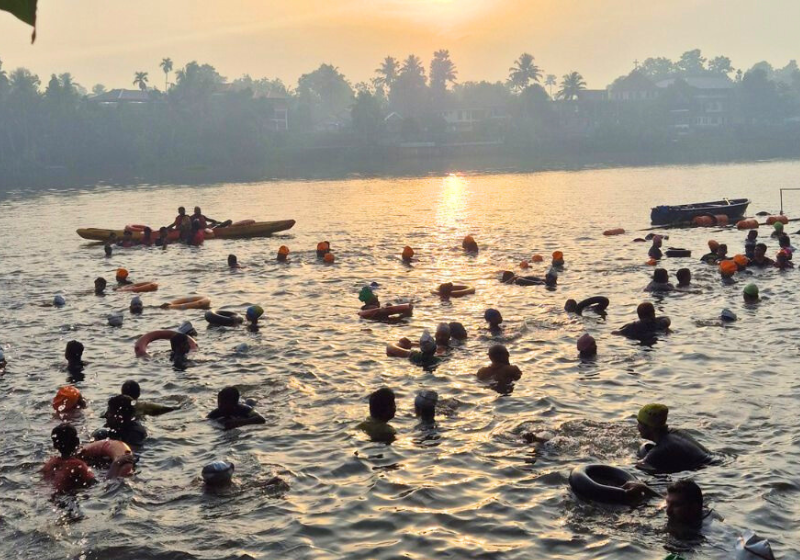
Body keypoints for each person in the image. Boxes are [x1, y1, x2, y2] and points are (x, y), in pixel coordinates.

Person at [635, 403, 712, 474]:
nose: (637, 427)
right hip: (716, 461)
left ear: (650, 427)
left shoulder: (661, 449)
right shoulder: (676, 432)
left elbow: (640, 465)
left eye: (640, 423)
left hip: (710, 469)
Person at [42, 423, 96, 492]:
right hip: (66, 495)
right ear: (77, 441)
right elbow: (93, 484)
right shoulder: (79, 466)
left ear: (55, 445)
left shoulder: (50, 463)